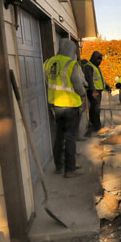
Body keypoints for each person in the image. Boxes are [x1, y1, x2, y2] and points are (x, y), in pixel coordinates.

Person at [43, 39, 86, 178]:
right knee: (70, 138)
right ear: (70, 50)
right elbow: (78, 85)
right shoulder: (70, 64)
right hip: (70, 106)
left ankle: (59, 166)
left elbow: (47, 81)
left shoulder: (48, 62)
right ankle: (70, 169)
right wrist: (83, 94)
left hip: (55, 105)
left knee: (59, 136)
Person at [83, 51, 111, 135]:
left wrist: (106, 86)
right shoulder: (89, 67)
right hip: (93, 91)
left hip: (98, 91)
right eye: (99, 60)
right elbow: (90, 80)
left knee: (95, 109)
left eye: (101, 60)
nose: (100, 62)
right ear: (94, 58)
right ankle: (97, 127)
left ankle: (94, 127)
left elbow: (101, 79)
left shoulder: (97, 67)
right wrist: (93, 91)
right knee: (95, 110)